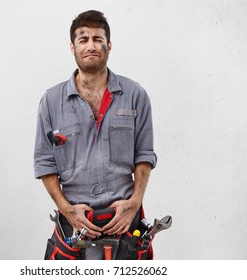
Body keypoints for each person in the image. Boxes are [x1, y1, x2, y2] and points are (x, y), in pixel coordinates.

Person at [34, 10, 157, 260]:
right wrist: (66, 210)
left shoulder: (136, 95)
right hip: (75, 224)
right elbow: (45, 164)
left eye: (98, 39)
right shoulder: (50, 102)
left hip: (125, 222)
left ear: (109, 45)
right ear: (72, 47)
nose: (91, 45)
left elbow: (144, 155)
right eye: (83, 39)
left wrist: (134, 203)